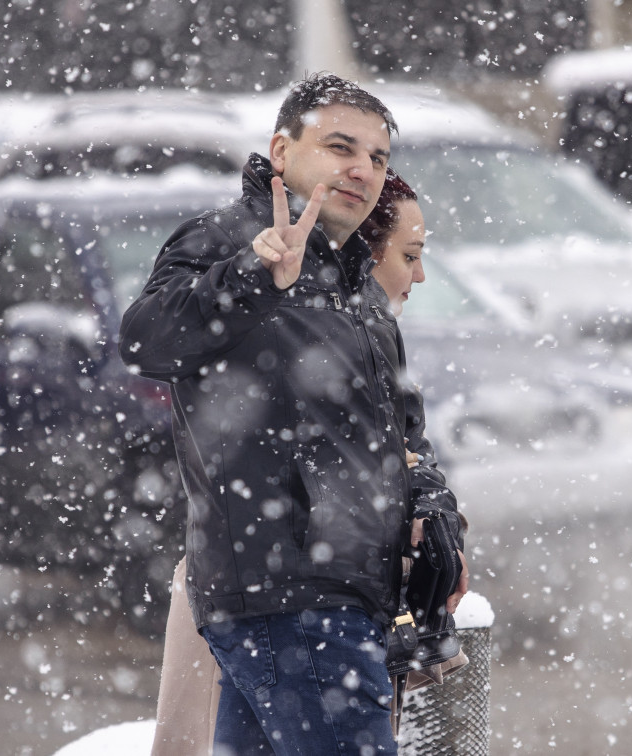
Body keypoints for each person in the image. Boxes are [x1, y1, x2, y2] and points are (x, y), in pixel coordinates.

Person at [120, 74, 466, 755]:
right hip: (288, 593)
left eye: (378, 158)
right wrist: (249, 276)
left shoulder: (358, 285)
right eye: (341, 147)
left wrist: (438, 522)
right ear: (281, 151)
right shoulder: (226, 240)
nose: (361, 170)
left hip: (342, 598)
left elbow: (404, 437)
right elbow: (145, 341)